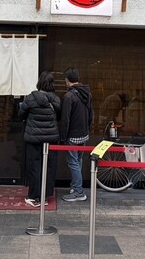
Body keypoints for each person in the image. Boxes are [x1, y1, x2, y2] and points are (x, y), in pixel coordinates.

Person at [18, 71, 61, 208]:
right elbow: (59, 116)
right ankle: (45, 196)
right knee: (49, 167)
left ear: (39, 82)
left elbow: (20, 114)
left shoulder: (31, 98)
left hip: (33, 138)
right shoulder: (55, 99)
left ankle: (33, 196)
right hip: (51, 139)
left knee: (34, 167)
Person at [59, 67, 93, 202]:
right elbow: (91, 115)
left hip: (72, 135)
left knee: (73, 162)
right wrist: (87, 129)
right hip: (84, 134)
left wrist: (62, 137)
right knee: (78, 161)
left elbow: (65, 119)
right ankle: (75, 186)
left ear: (67, 80)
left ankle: (78, 192)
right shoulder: (88, 94)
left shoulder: (69, 96)